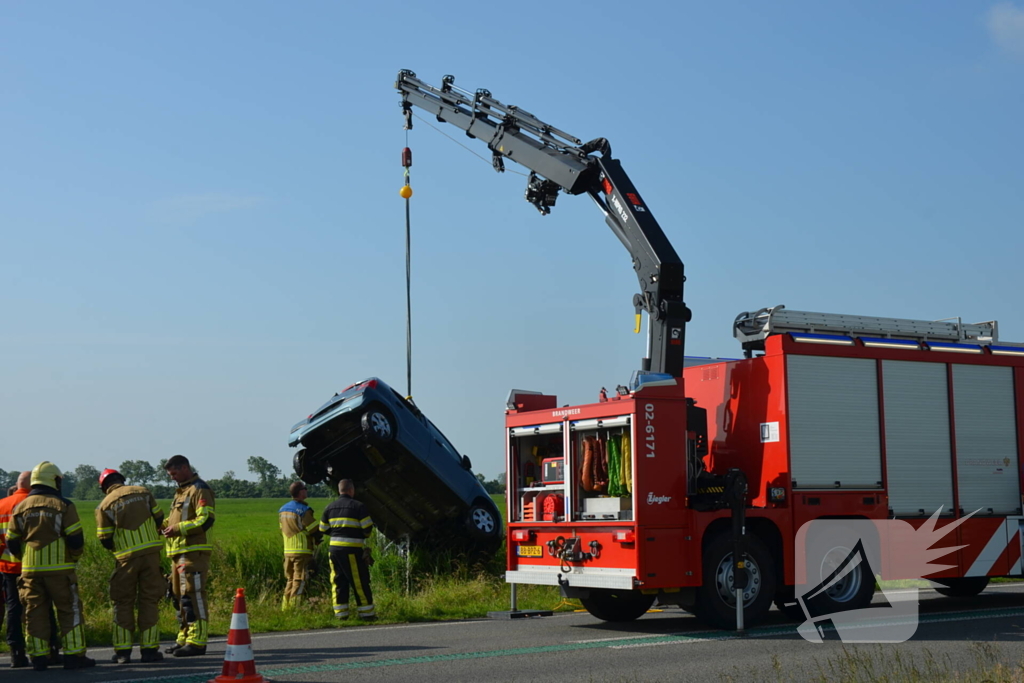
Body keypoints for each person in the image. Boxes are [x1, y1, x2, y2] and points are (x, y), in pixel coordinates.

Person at [6, 462, 94, 671]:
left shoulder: (21, 507)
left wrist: (23, 557)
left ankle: (38, 657)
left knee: (34, 613)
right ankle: (74, 656)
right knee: (68, 610)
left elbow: (11, 540)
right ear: (54, 480)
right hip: (59, 570)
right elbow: (75, 539)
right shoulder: (63, 505)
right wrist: (72, 558)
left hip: (30, 571)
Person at [96, 468, 167, 664]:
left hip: (126, 558)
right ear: (122, 479)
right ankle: (150, 651)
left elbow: (104, 537)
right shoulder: (143, 492)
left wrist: (117, 548)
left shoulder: (105, 504)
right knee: (149, 601)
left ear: (104, 487)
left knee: (123, 602)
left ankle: (123, 653)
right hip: (151, 555)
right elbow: (159, 518)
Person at [161, 455, 215, 656]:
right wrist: (165, 525)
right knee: (178, 598)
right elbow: (176, 518)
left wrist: (178, 528)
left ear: (185, 467)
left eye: (174, 473)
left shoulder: (199, 489)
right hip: (177, 553)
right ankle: (183, 637)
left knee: (192, 596)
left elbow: (206, 519)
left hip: (193, 552)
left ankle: (197, 641)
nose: (172, 477)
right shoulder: (181, 491)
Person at [320, 479, 375, 620]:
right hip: (352, 550)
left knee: (338, 581)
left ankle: (341, 615)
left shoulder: (329, 507)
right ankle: (367, 614)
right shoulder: (358, 506)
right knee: (359, 581)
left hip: (334, 550)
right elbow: (367, 528)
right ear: (351, 490)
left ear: (339, 491)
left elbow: (323, 529)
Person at [279, 481, 322, 609]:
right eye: (305, 488)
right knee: (300, 580)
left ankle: (285, 607)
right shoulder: (304, 510)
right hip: (302, 551)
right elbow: (314, 529)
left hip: (288, 551)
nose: (307, 490)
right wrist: (319, 538)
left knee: (290, 580)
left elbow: (282, 528)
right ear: (301, 492)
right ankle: (295, 608)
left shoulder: (282, 510)